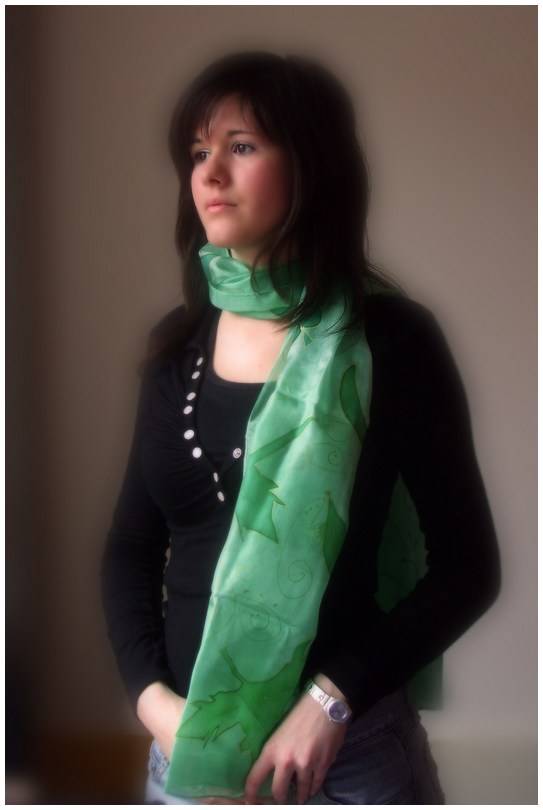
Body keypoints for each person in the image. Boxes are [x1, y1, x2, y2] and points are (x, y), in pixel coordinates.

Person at [100, 51, 501, 805]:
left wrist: (329, 702)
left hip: (348, 763)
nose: (210, 173)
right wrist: (154, 706)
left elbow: (468, 569)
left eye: (241, 145)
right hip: (185, 764)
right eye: (198, 152)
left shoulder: (392, 339)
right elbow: (130, 548)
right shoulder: (177, 345)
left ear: (311, 165)